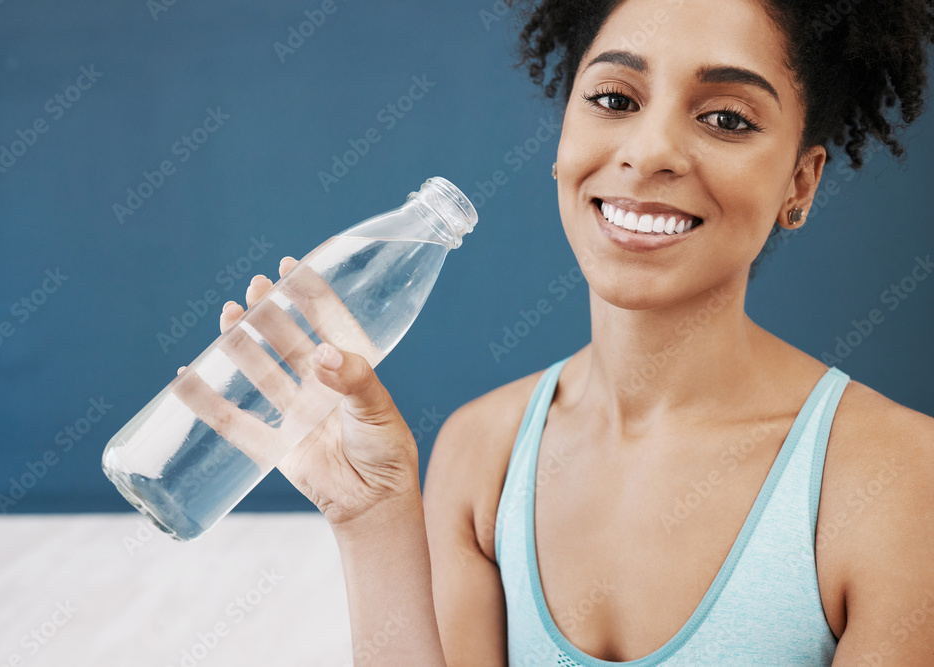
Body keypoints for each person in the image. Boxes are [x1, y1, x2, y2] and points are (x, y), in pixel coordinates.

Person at [211, 0, 934, 663]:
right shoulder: (480, 454)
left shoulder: (899, 477)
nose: (650, 152)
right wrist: (369, 517)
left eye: (726, 118)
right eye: (615, 100)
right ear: (563, 136)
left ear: (799, 185)